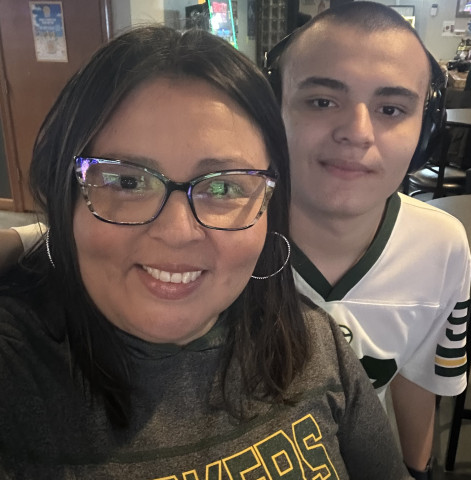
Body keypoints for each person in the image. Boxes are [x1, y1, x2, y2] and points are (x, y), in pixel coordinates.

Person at [0, 25, 411, 478]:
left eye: (222, 187)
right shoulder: (16, 373)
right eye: (127, 181)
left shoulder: (310, 342)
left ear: (269, 205)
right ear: (65, 193)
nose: (177, 232)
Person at [265, 2, 471, 478]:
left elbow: (417, 377)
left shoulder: (441, 246)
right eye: (322, 101)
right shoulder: (219, 233)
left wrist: (417, 471)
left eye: (391, 109)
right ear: (274, 111)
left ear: (426, 131)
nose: (357, 133)